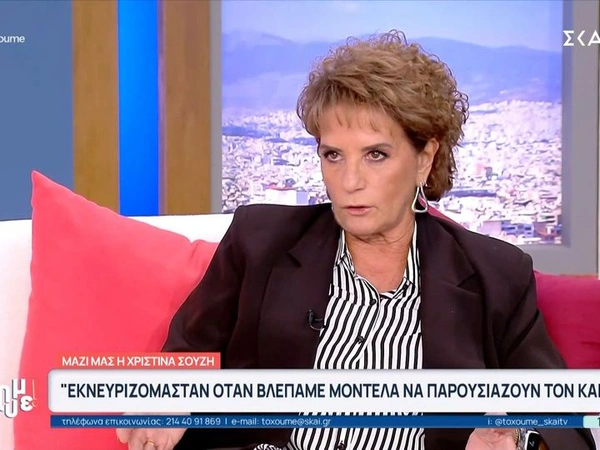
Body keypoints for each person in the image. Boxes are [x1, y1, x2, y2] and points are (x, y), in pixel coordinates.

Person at [116, 30, 595, 450]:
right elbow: (186, 357)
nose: (349, 182)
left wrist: (518, 437)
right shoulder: (260, 240)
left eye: (375, 155)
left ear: (425, 158)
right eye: (333, 155)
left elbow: (563, 424)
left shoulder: (495, 274)